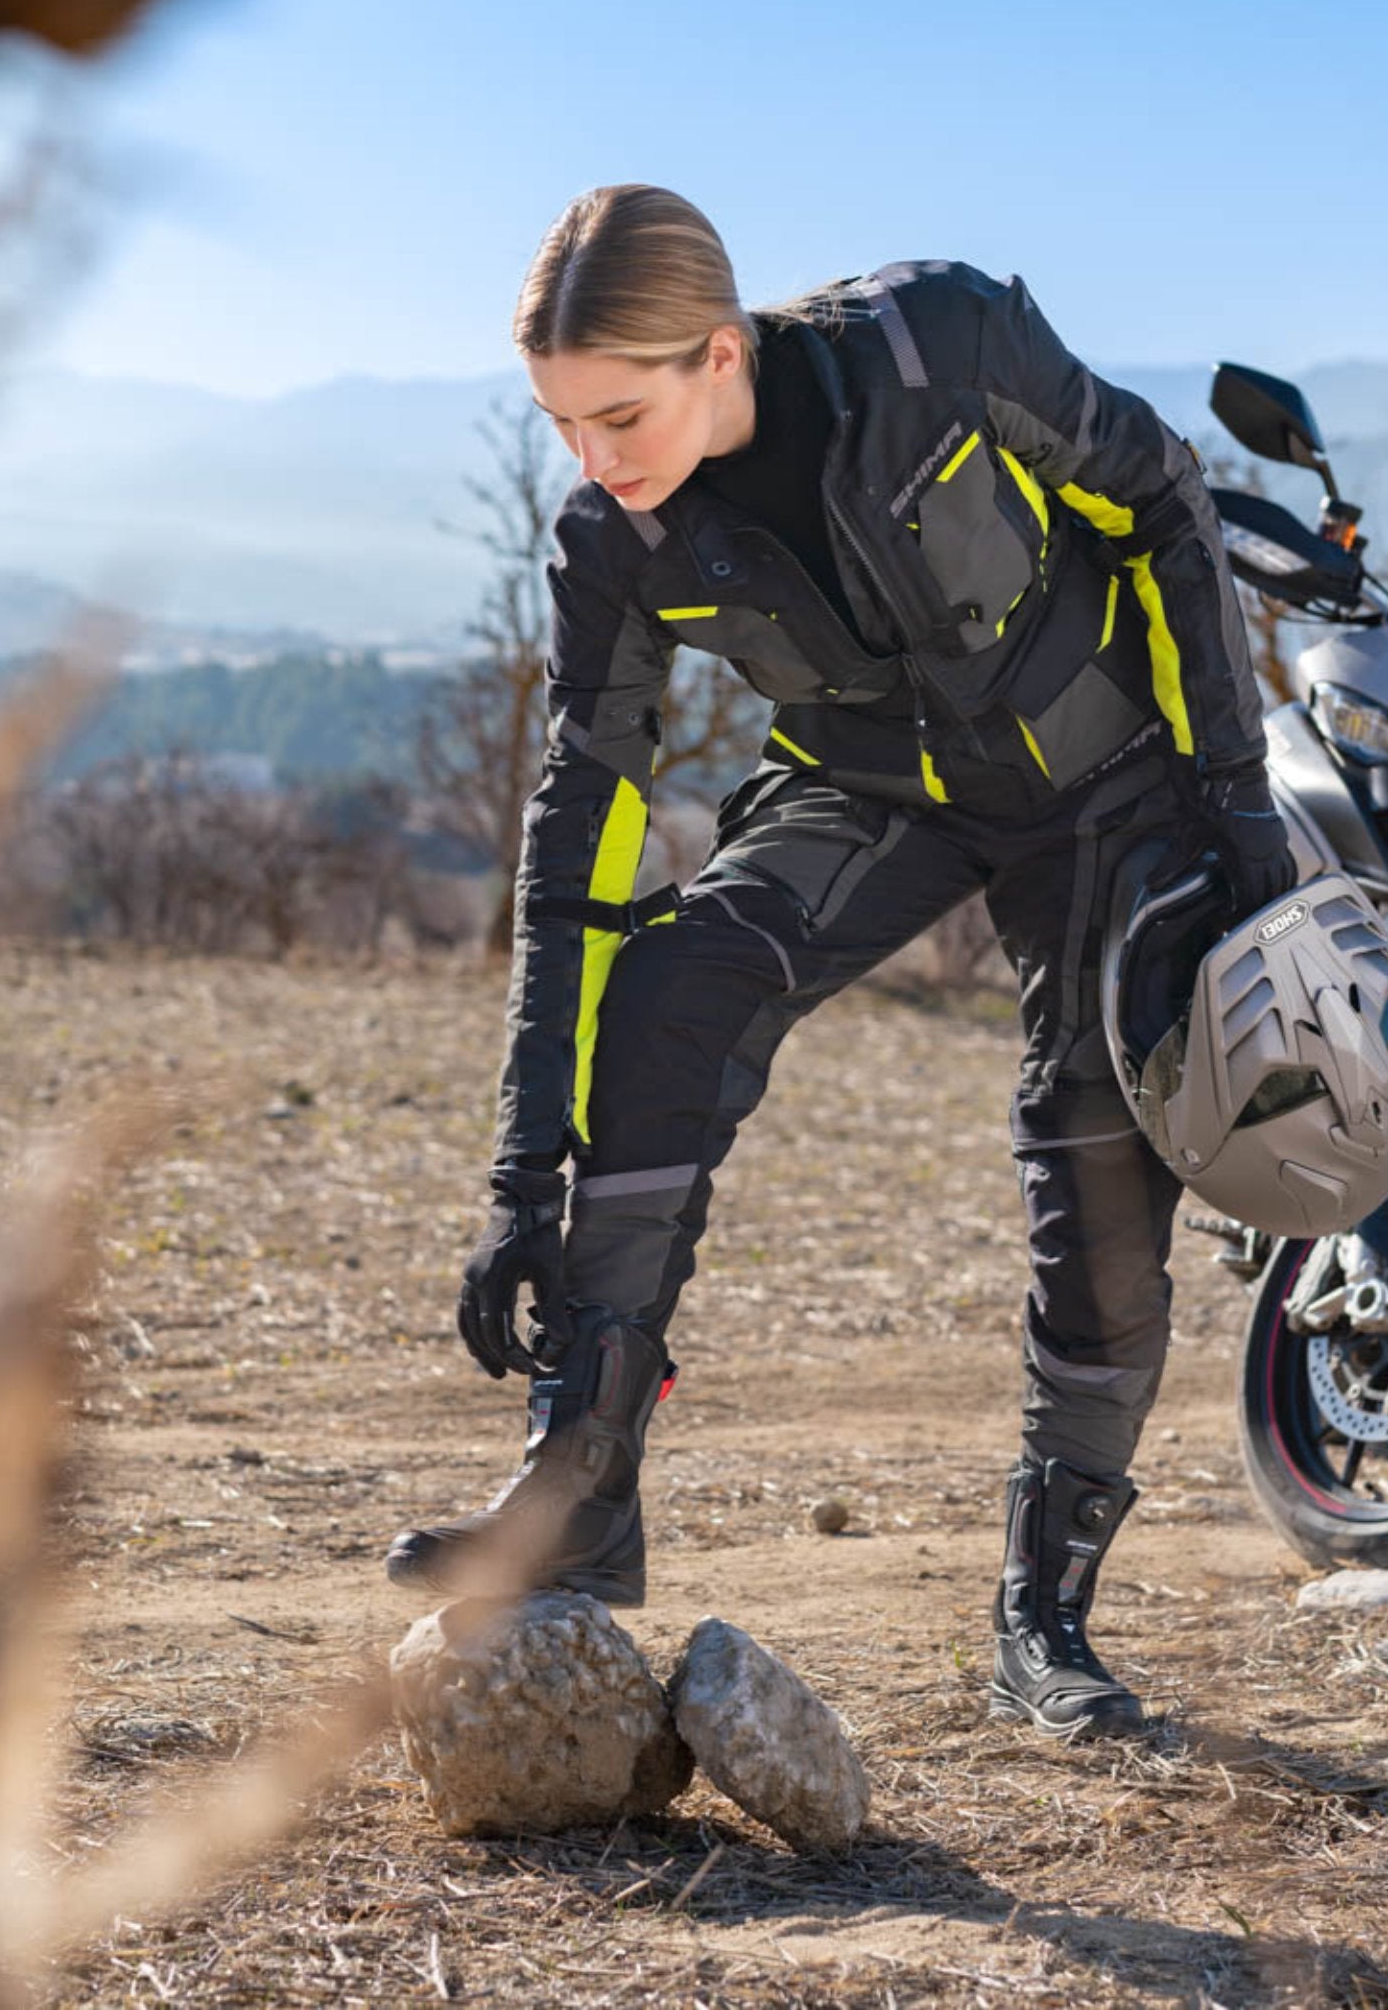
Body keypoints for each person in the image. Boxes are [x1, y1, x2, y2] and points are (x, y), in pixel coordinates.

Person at [386, 184, 1294, 1740]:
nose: (597, 461)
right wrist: (522, 1177)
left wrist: (1234, 803)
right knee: (675, 990)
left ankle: (1044, 1615)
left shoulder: (935, 343)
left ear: (721, 353)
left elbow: (1163, 498)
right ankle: (582, 1487)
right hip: (874, 791)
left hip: (1101, 792)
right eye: (562, 426)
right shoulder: (615, 531)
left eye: (621, 412)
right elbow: (581, 836)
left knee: (1096, 1170)